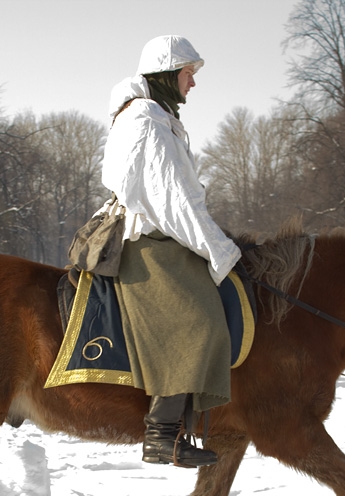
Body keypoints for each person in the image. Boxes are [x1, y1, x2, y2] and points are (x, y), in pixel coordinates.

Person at [102, 35, 241, 467]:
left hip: (161, 231)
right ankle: (161, 435)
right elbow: (175, 201)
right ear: (166, 75)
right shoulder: (147, 120)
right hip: (151, 239)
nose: (192, 85)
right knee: (198, 323)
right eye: (188, 75)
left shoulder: (154, 116)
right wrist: (221, 252)